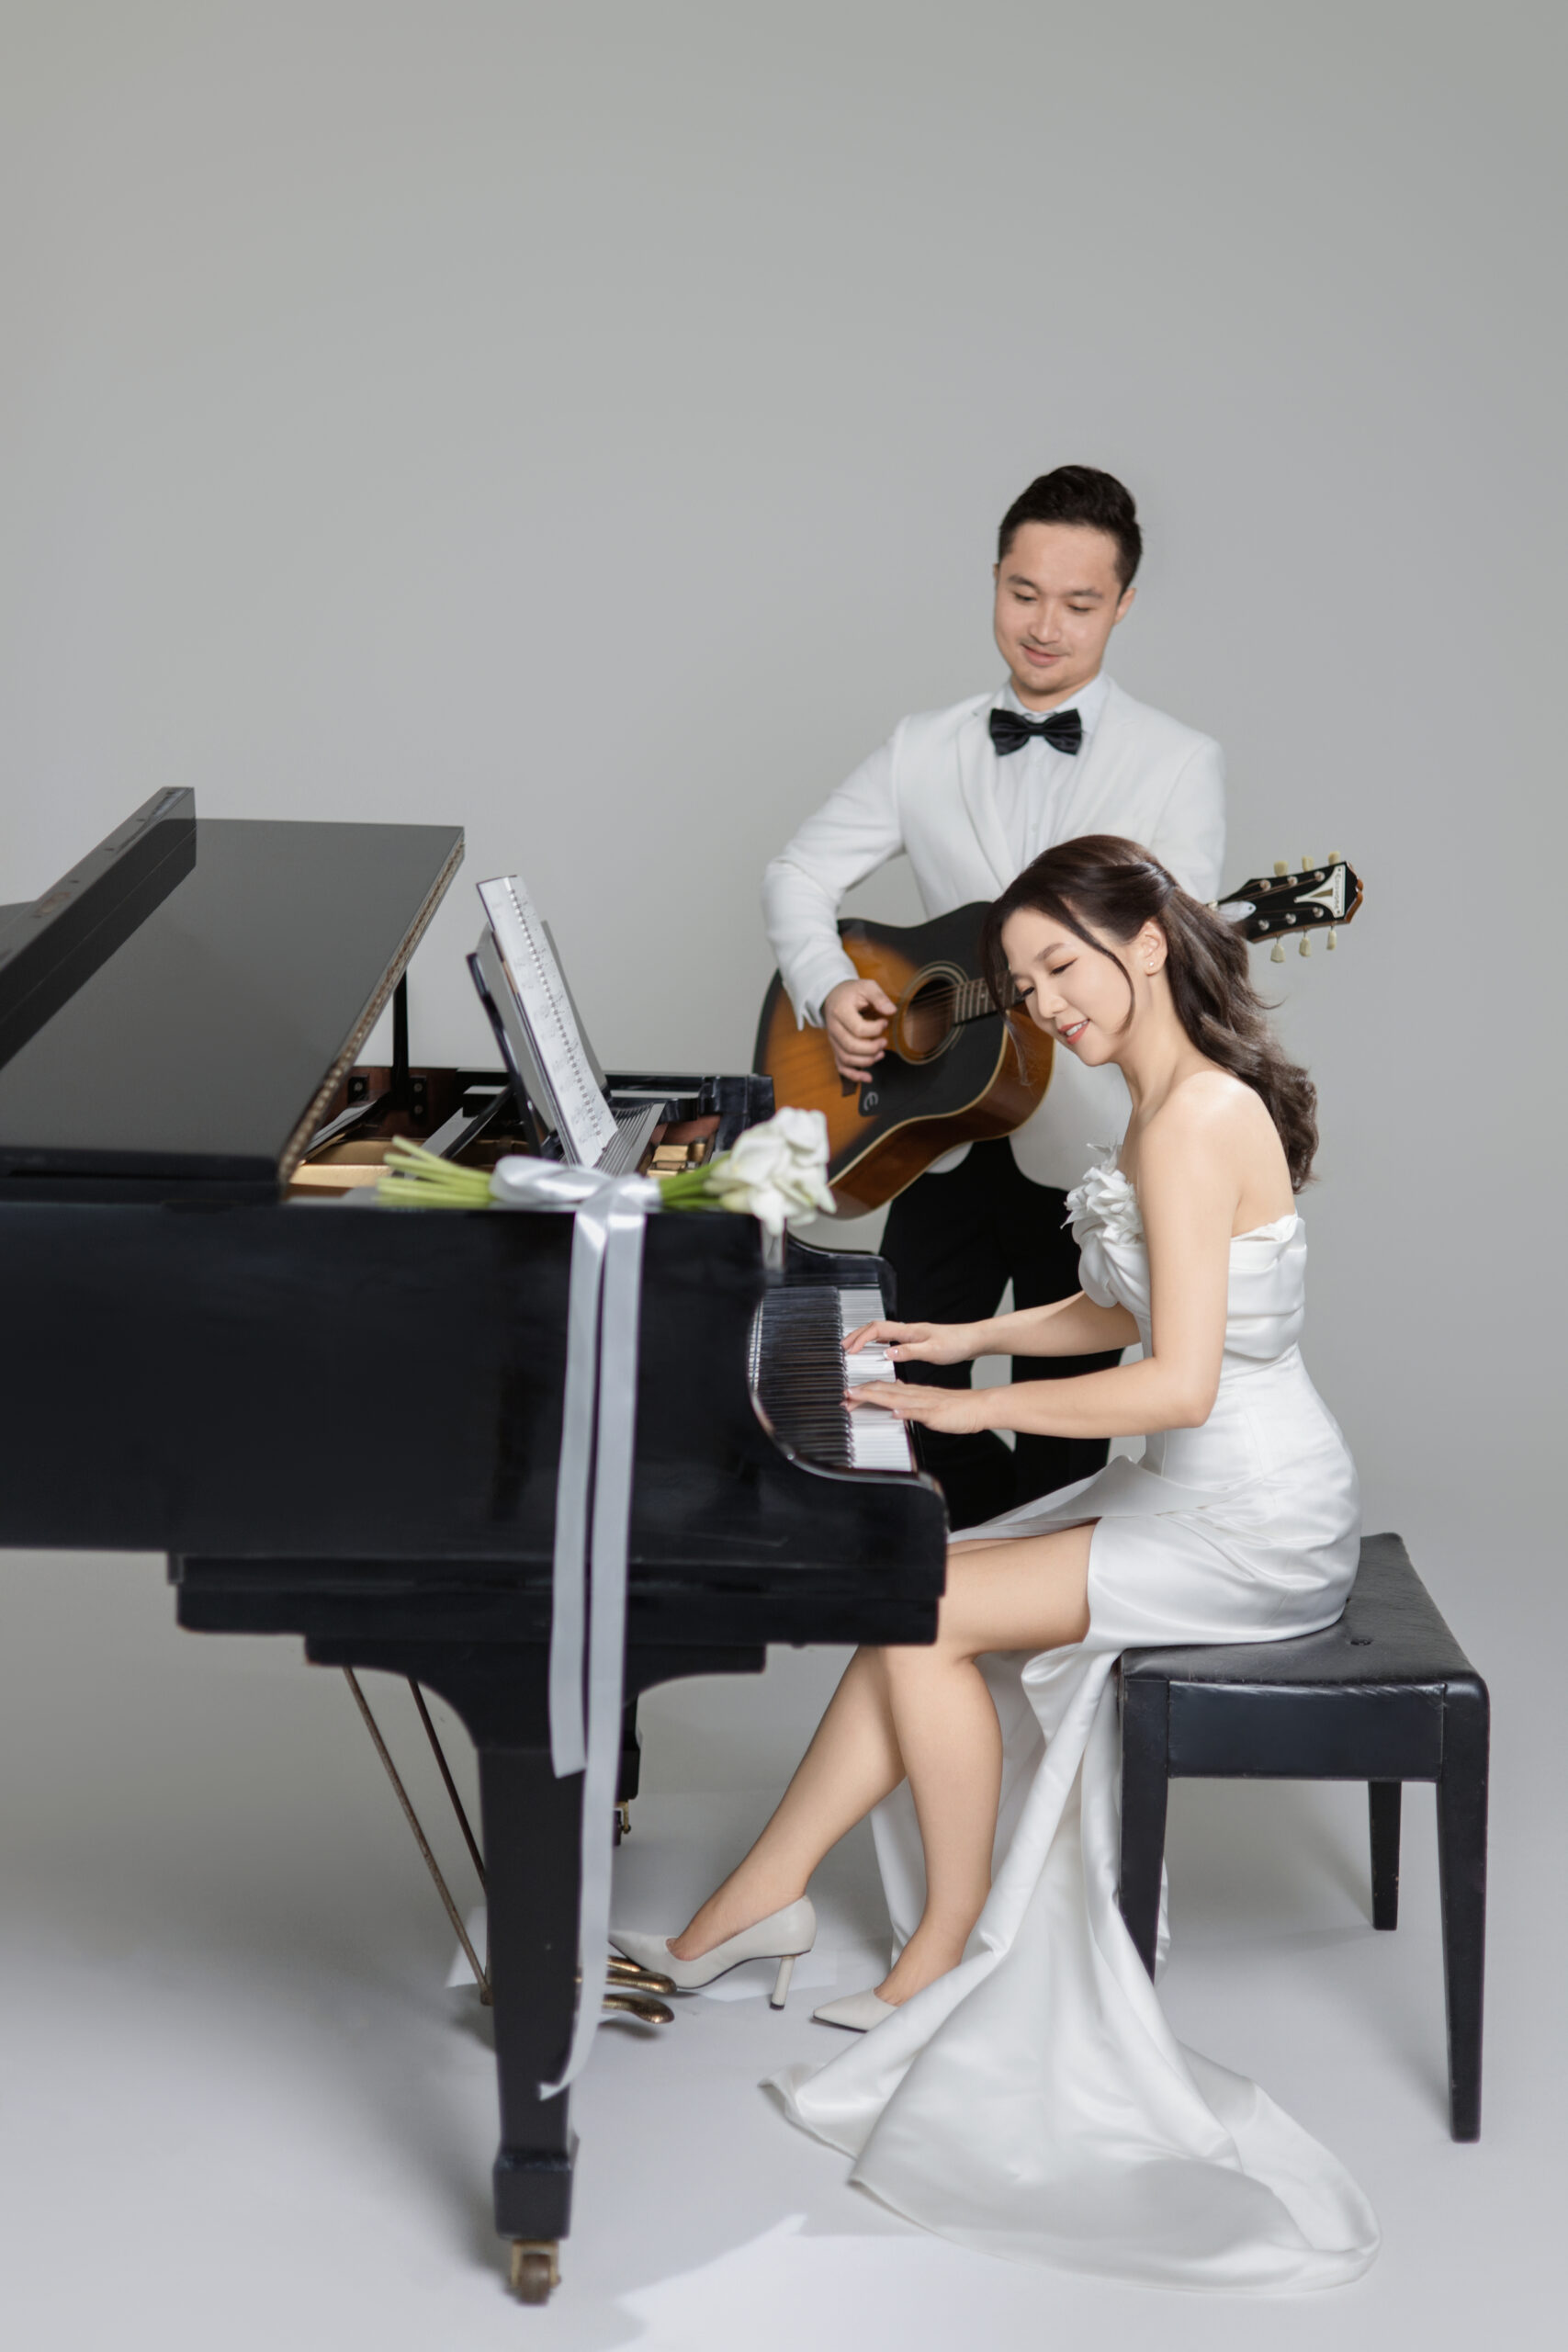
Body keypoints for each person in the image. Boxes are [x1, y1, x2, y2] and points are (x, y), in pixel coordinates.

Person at [614, 836, 1378, 2290]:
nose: (1046, 1006)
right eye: (1023, 985)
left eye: (1061, 968)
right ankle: (755, 1905)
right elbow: (1121, 1307)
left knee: (922, 1606)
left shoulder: (1189, 1120)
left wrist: (968, 1409)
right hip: (1193, 1490)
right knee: (922, 1578)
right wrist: (958, 1337)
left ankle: (947, 1950)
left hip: (1249, 1515)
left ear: (1145, 941)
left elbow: (1178, 1384)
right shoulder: (1172, 1099)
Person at [762, 466, 1227, 1530]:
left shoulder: (1177, 763)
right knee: (900, 1395)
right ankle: (958, 1574)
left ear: (1124, 605)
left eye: (1080, 602)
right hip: (935, 1127)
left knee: (1067, 1430)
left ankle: (1035, 1601)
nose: (1045, 627)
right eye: (1024, 593)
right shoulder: (921, 746)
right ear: (994, 580)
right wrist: (832, 986)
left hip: (1089, 1154)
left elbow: (1179, 956)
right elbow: (796, 873)